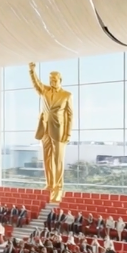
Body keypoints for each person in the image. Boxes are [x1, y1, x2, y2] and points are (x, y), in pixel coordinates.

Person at [28, 62, 74, 203]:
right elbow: (36, 84)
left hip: (59, 131)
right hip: (45, 130)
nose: (52, 82)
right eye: (50, 80)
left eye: (54, 80)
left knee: (58, 160)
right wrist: (32, 71)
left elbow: (70, 115)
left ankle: (58, 188)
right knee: (47, 159)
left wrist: (68, 134)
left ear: (60, 80)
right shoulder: (45, 91)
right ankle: (49, 185)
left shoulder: (67, 95)